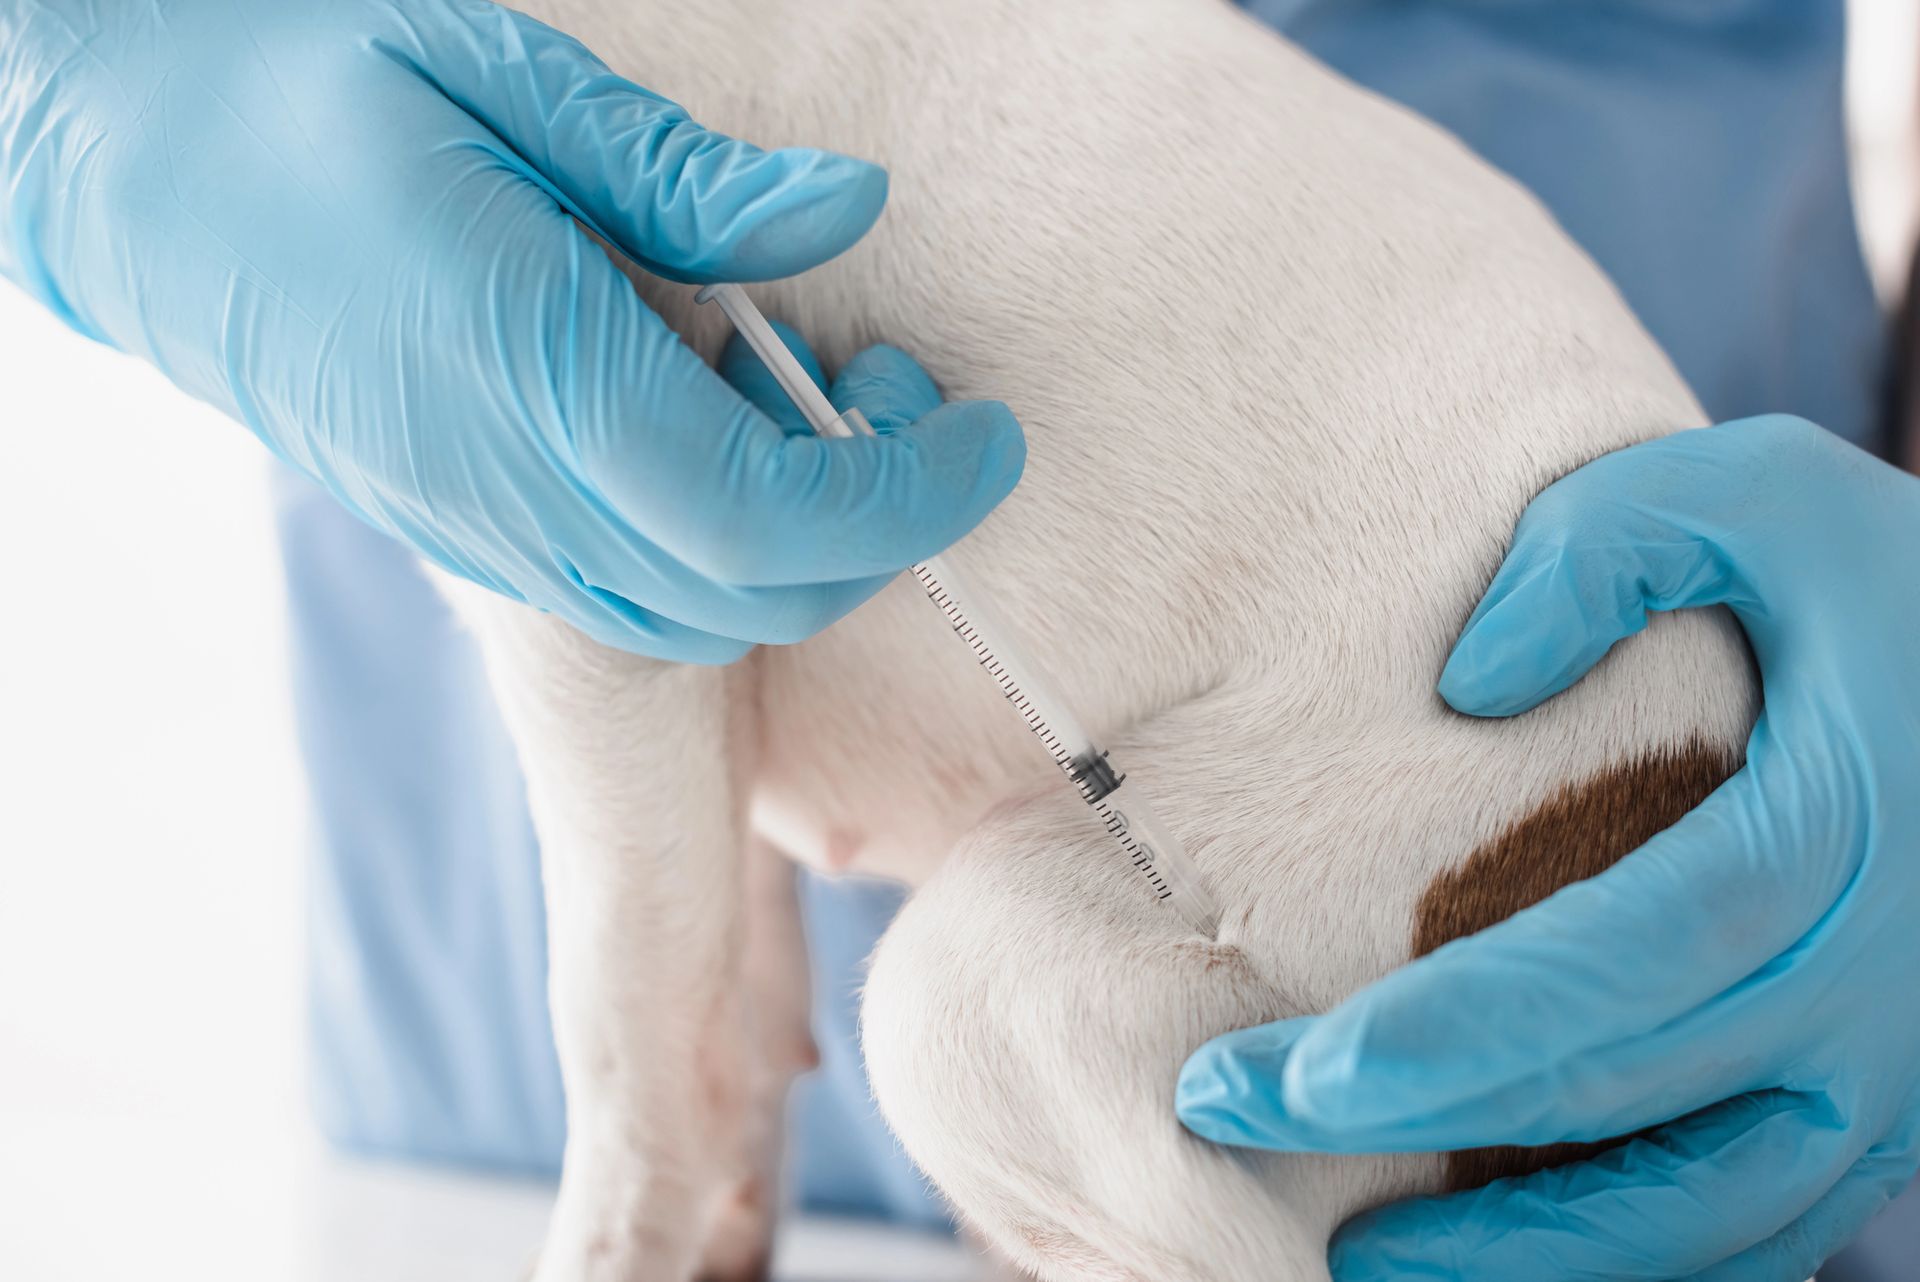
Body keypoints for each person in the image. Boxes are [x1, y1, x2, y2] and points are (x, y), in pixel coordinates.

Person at [2, 0, 1913, 1277]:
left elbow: (592, 586)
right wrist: (56, 79)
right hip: (1499, 704)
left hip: (1595, 829)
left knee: (941, 1014)